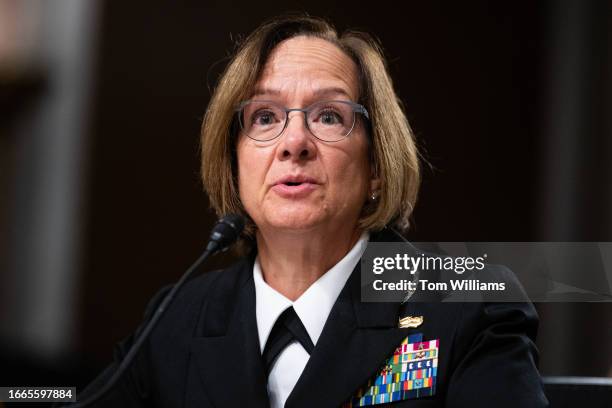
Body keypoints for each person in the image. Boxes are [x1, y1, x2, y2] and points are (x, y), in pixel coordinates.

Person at [76, 15, 548, 407]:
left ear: (376, 166)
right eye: (264, 117)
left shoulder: (469, 305)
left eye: (329, 116)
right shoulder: (178, 318)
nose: (294, 144)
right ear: (235, 163)